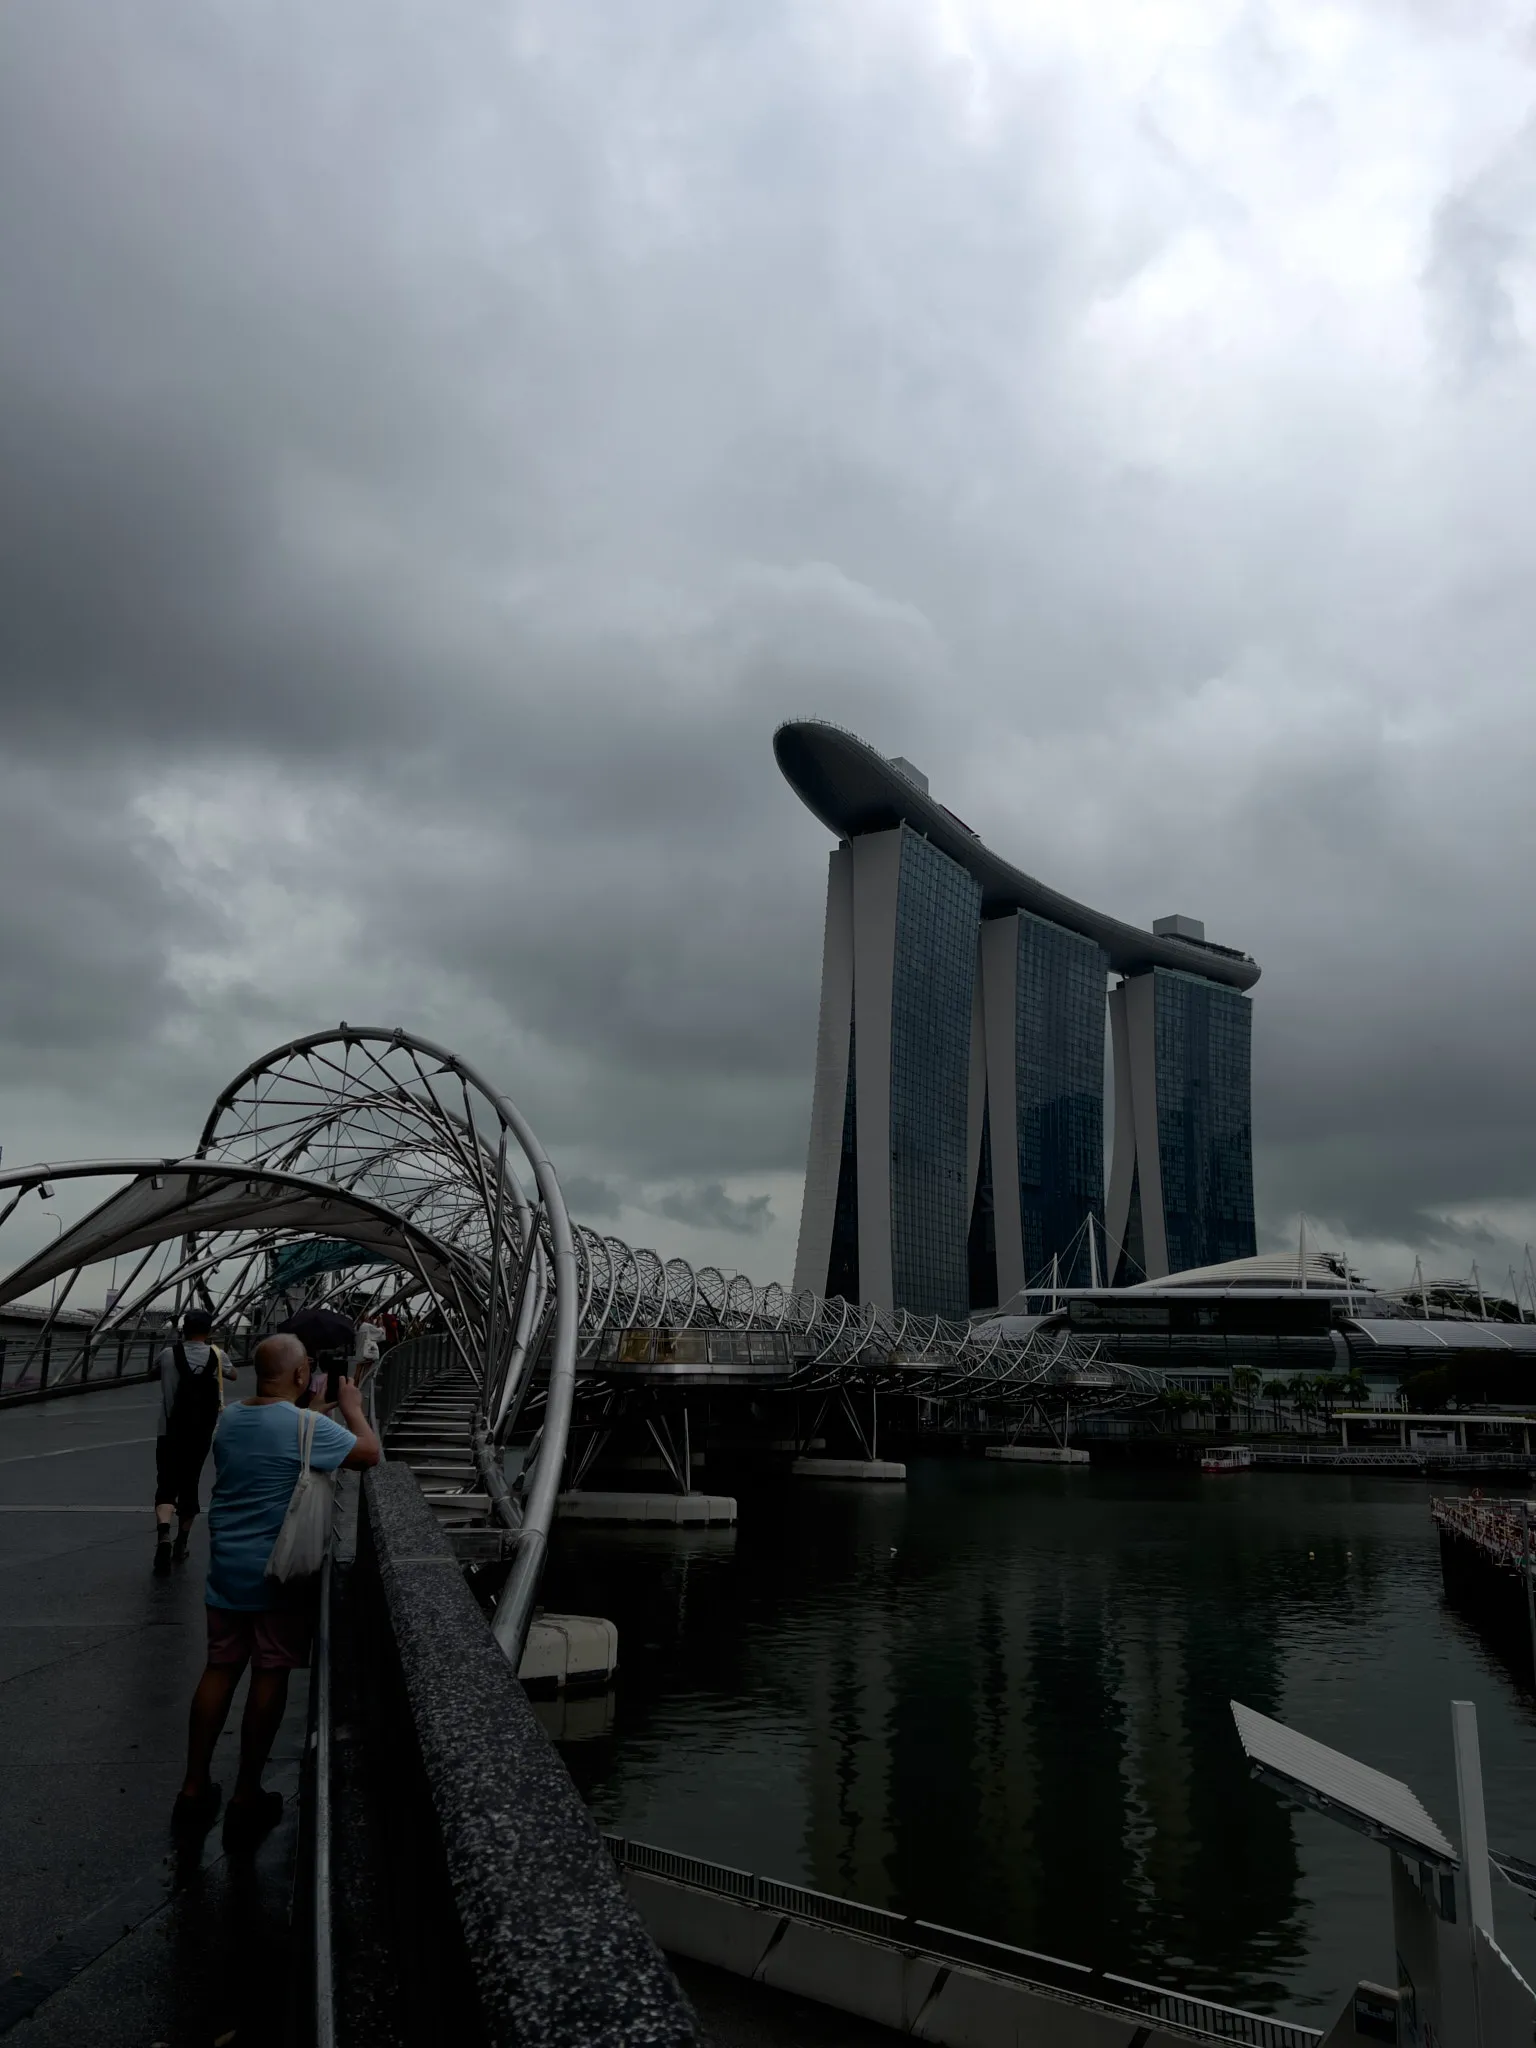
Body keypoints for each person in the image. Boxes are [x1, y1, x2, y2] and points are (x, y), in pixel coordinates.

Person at [172, 1332, 379, 1845]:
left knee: (219, 1668)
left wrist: (313, 1402)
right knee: (269, 1672)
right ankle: (247, 1794)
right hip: (281, 1574)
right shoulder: (309, 1426)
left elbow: (276, 1426)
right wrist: (351, 1407)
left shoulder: (230, 1420)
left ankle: (193, 1788)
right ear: (303, 1374)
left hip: (226, 1567)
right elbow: (369, 1453)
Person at [153, 1307, 238, 1575]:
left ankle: (163, 1534)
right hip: (200, 1432)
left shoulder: (168, 1355)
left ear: (183, 1329)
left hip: (169, 1429)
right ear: (209, 1330)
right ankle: (182, 1542)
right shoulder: (217, 1355)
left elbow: (153, 1372)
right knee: (190, 1483)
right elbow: (233, 1374)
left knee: (166, 1483)